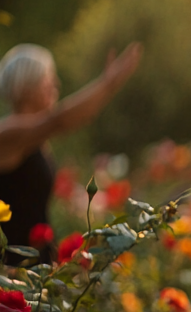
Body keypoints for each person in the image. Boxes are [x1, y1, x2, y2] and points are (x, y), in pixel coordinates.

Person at [0, 43, 143, 261]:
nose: (55, 84)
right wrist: (108, 84)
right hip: (14, 266)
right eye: (49, 77)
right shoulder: (9, 133)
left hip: (36, 262)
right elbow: (60, 120)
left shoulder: (36, 138)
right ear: (28, 84)